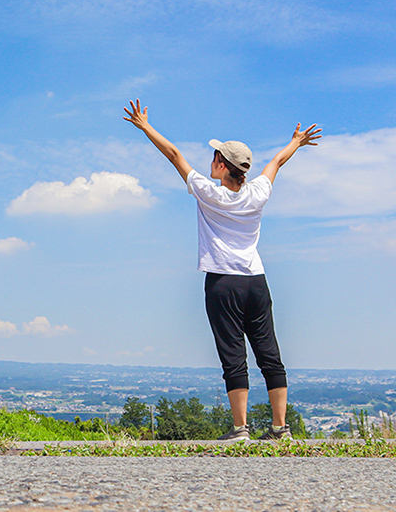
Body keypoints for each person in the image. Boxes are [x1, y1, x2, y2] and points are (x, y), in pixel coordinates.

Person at [122, 99, 321, 441]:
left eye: (214, 157)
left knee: (234, 356)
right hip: (256, 282)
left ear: (221, 164)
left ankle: (241, 429)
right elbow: (277, 162)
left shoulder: (208, 194)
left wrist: (144, 126)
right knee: (269, 354)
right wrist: (297, 142)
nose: (209, 162)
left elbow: (173, 155)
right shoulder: (258, 193)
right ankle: (280, 428)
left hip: (222, 283)